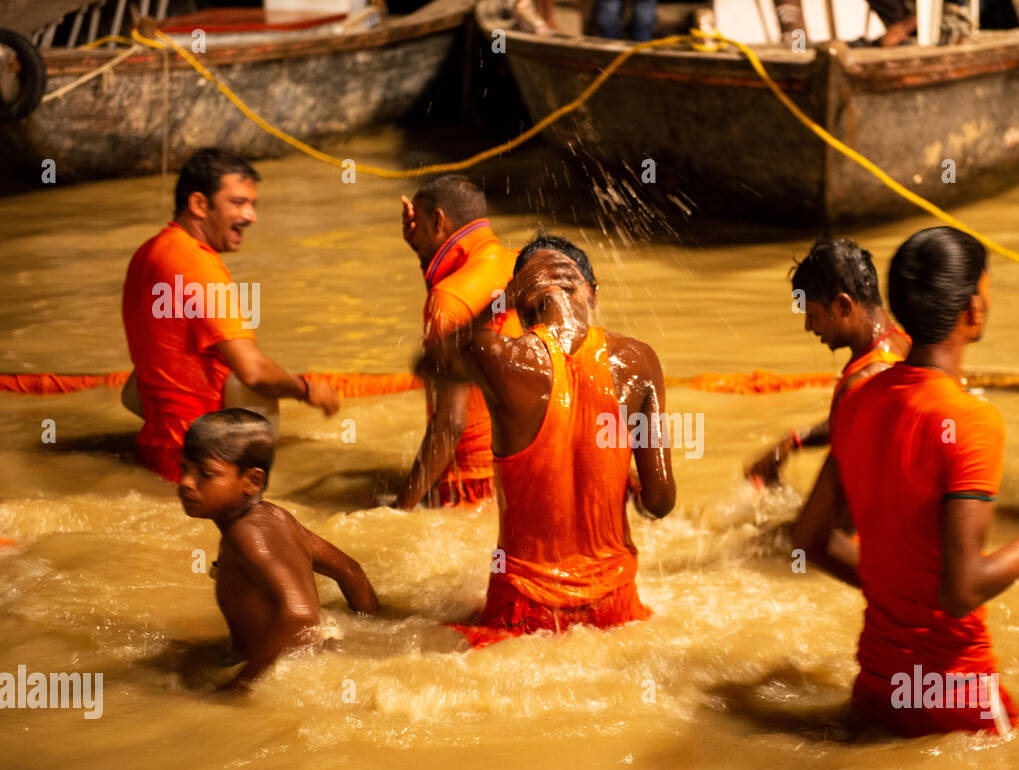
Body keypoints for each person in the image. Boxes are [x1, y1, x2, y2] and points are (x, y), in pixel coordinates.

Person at [793, 227, 1019, 736]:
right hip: (957, 698)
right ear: (973, 310)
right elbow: (962, 590)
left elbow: (809, 539)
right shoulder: (971, 420)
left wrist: (896, 592)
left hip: (877, 687)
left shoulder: (857, 399)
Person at [420, 237, 676, 646]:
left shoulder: (499, 356)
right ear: (591, 293)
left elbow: (430, 363)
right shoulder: (639, 360)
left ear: (519, 306)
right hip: (616, 607)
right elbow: (660, 502)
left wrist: (496, 303)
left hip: (523, 613)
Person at [121, 148, 339, 483]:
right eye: (238, 203)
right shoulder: (199, 266)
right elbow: (252, 372)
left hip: (158, 452)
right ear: (199, 204)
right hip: (207, 466)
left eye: (252, 204)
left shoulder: (148, 254)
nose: (251, 216)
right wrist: (307, 390)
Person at [178, 410, 378, 690]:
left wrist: (239, 686)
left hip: (292, 682)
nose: (186, 483)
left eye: (206, 474)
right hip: (306, 667)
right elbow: (351, 572)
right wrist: (373, 632)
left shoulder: (246, 534)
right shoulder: (276, 517)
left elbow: (300, 615)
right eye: (184, 469)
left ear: (253, 481)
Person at [394, 175, 523, 509]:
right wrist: (427, 258)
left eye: (419, 226)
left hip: (470, 489)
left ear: (439, 220)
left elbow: (449, 424)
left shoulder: (449, 295)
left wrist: (399, 510)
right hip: (527, 475)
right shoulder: (526, 266)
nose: (414, 237)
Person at [745, 238, 909, 487]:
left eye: (812, 316)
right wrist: (794, 441)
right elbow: (842, 423)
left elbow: (837, 500)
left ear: (843, 305)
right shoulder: (904, 343)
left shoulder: (865, 381)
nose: (808, 327)